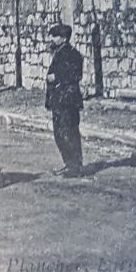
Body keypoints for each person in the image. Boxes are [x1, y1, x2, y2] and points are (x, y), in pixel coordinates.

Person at [44, 23, 85, 176]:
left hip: (67, 100)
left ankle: (74, 166)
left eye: (55, 36)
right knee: (60, 133)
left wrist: (56, 77)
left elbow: (76, 75)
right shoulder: (60, 52)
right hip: (59, 100)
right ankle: (69, 163)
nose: (52, 39)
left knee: (69, 132)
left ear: (63, 38)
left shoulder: (72, 54)